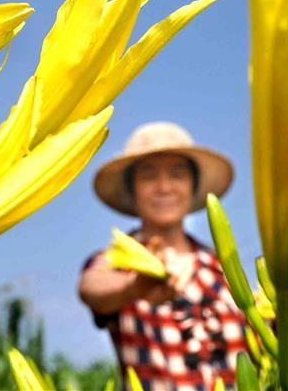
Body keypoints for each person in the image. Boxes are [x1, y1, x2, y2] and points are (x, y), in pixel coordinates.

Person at [78, 122, 248, 391]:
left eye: (177, 175)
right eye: (149, 176)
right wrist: (134, 287)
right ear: (132, 190)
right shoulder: (120, 259)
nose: (164, 187)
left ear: (193, 186)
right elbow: (91, 287)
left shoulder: (221, 266)